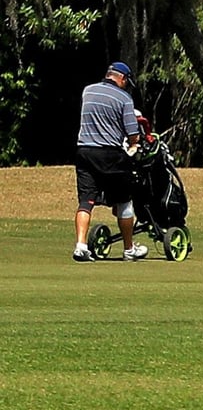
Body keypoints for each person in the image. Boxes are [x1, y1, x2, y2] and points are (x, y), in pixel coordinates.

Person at [72, 61, 148, 262]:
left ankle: (81, 246)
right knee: (124, 200)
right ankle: (129, 248)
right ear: (122, 79)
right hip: (110, 155)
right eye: (126, 82)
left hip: (84, 152)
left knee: (86, 201)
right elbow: (133, 136)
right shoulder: (124, 98)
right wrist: (133, 144)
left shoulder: (87, 91)